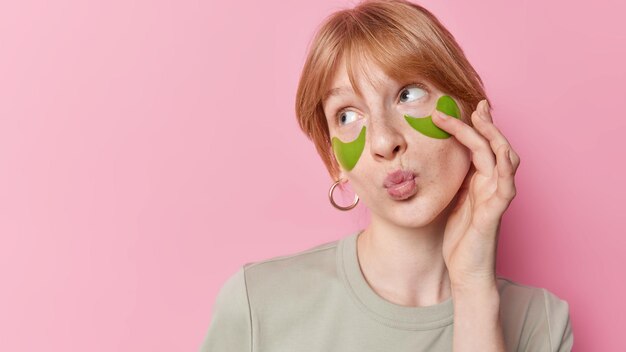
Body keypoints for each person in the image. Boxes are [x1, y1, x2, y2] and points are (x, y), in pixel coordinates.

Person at [199, 0, 574, 351]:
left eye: (409, 94)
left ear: (469, 112)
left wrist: (473, 288)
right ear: (334, 161)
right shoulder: (258, 305)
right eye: (346, 115)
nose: (383, 140)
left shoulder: (539, 323)